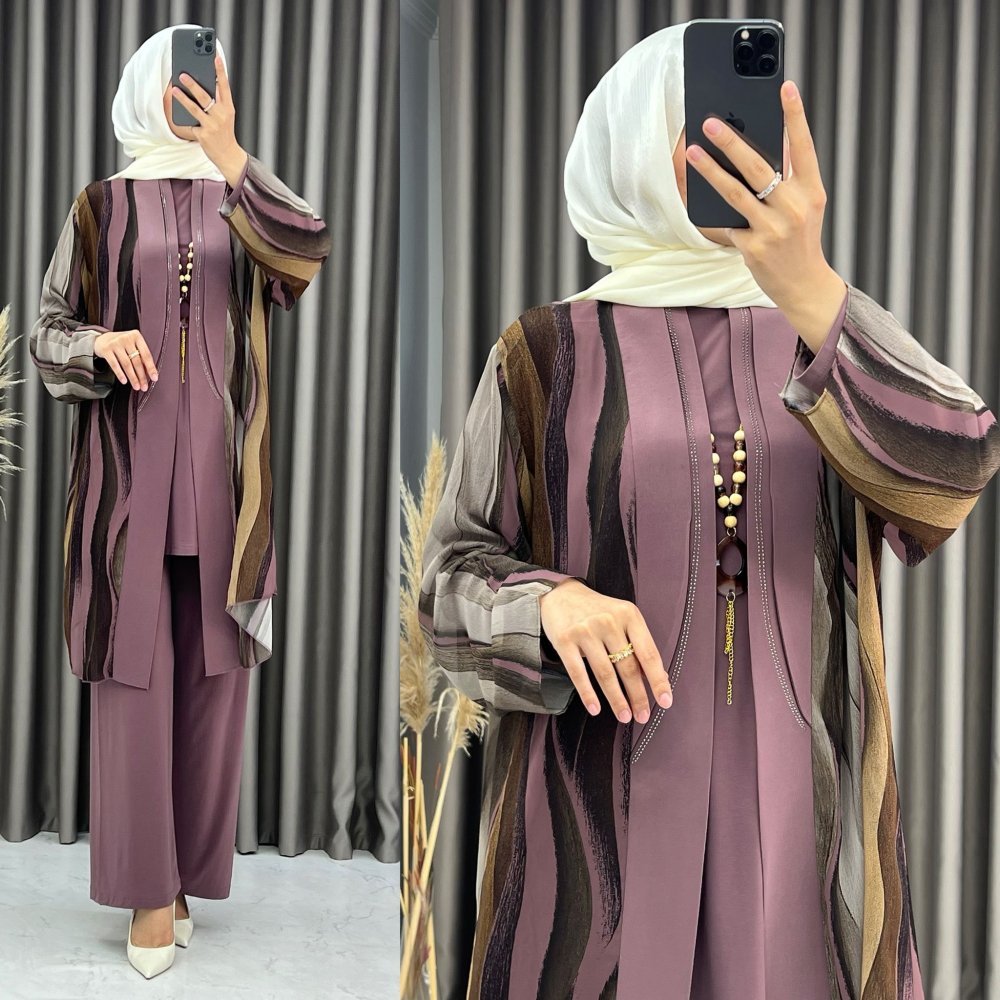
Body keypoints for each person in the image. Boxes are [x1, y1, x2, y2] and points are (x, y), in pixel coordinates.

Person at [418, 22, 1000, 1000]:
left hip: (802, 818)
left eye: (740, 128)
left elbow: (959, 465)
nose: (724, 151)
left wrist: (813, 288)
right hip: (595, 808)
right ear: (630, 146)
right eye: (688, 129)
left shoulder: (826, 334)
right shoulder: (546, 352)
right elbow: (446, 583)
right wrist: (545, 603)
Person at [28, 24, 330, 979]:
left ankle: (189, 874)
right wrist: (96, 344)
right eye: (188, 81)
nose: (202, 93)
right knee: (134, 683)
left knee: (215, 686)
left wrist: (232, 154)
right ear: (147, 89)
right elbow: (47, 333)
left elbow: (307, 252)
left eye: (216, 81)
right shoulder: (100, 206)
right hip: (125, 489)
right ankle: (148, 894)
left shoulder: (244, 200)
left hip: (228, 487)